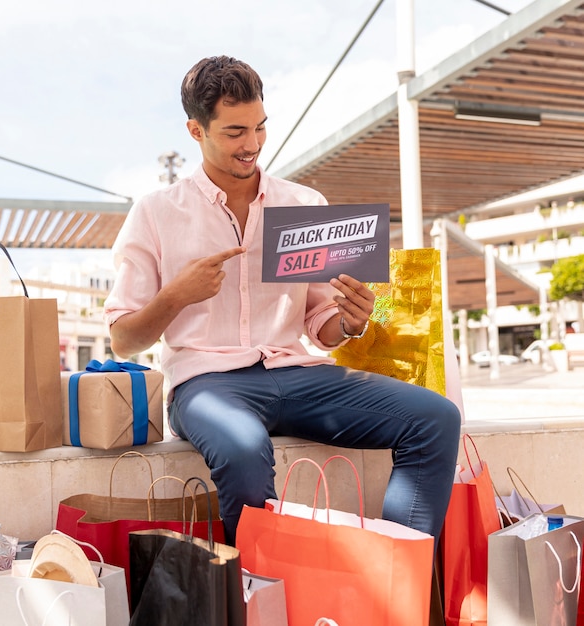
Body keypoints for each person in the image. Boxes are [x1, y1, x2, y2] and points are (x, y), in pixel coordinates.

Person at [104, 55, 461, 547]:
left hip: (297, 373)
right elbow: (124, 339)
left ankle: (399, 578)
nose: (251, 145)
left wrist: (351, 321)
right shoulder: (156, 213)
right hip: (206, 385)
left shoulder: (304, 205)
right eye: (233, 132)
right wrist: (175, 296)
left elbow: (321, 322)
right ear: (196, 130)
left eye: (259, 127)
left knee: (435, 417)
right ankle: (262, 598)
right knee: (245, 449)